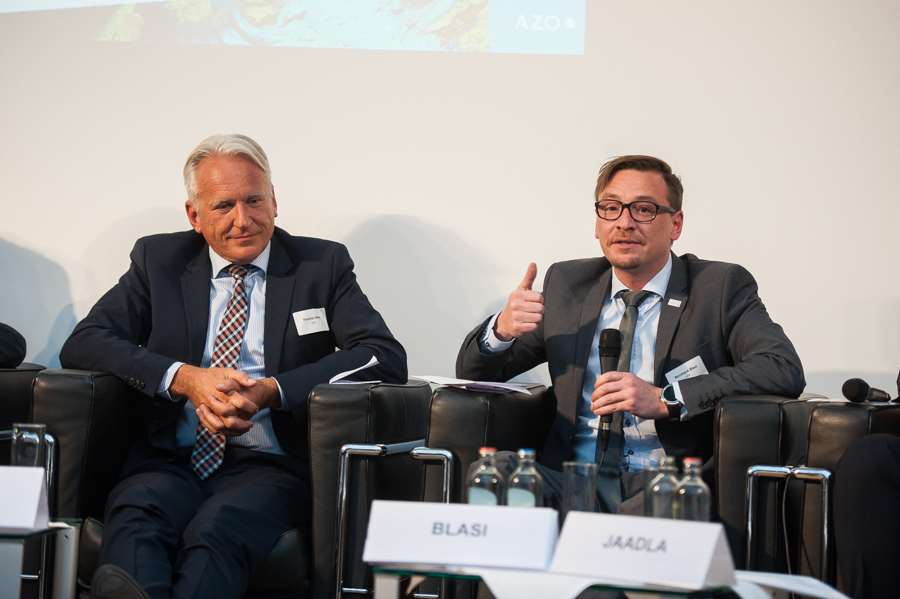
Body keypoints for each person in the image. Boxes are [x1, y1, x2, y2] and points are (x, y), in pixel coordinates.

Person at [59, 134, 407, 599]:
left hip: (270, 465)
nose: (243, 220)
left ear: (275, 202)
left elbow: (382, 354)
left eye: (254, 200)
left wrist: (271, 389)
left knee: (218, 529)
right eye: (223, 206)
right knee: (138, 514)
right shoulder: (158, 261)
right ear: (194, 216)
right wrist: (185, 379)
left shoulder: (320, 265)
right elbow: (86, 342)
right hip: (170, 460)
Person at [457, 155, 804, 514]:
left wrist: (668, 398)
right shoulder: (568, 287)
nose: (624, 223)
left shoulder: (718, 289)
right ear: (597, 222)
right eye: (611, 208)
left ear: (676, 224)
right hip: (570, 480)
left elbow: (781, 367)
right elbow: (473, 373)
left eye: (643, 209)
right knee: (494, 475)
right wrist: (502, 330)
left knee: (650, 516)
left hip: (663, 485)